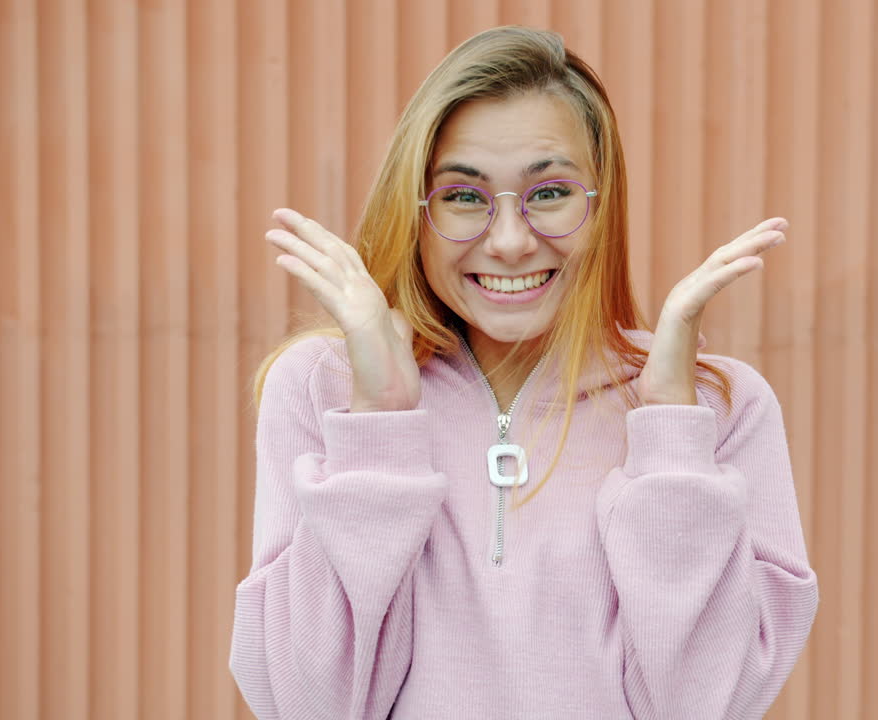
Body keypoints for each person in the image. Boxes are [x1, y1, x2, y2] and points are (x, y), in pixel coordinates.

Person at [229, 26, 818, 720]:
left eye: (550, 193)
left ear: (602, 208)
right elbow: (307, 705)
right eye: (463, 197)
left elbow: (704, 705)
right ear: (413, 212)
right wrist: (380, 422)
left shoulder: (719, 408)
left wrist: (667, 431)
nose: (509, 243)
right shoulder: (322, 387)